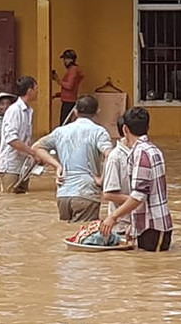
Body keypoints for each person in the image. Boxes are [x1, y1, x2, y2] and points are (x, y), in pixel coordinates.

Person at [101, 107, 173, 252]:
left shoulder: (141, 154)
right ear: (148, 127)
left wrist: (113, 217)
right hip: (152, 225)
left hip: (152, 227)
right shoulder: (153, 150)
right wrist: (135, 227)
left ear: (125, 129)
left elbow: (139, 196)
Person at [32, 95, 112, 222]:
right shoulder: (99, 132)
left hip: (63, 195)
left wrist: (57, 166)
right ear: (97, 112)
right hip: (86, 194)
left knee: (65, 235)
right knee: (84, 237)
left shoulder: (60, 131)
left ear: (75, 112)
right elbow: (110, 155)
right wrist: (102, 180)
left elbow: (36, 147)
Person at [0, 76, 39, 194]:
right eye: (36, 89)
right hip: (11, 164)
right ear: (29, 91)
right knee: (10, 196)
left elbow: (26, 138)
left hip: (24, 163)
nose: (37, 92)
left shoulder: (29, 111)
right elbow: (12, 140)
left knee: (22, 198)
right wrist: (33, 153)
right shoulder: (14, 111)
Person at [101, 115, 132, 235]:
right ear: (126, 130)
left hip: (139, 225)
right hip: (122, 226)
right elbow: (108, 194)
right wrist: (137, 200)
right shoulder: (115, 157)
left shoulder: (143, 153)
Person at [52, 49, 85, 125]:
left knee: (64, 123)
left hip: (69, 101)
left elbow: (69, 86)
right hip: (68, 100)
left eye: (65, 59)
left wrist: (57, 80)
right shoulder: (73, 69)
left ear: (71, 59)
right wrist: (58, 94)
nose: (64, 61)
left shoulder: (73, 70)